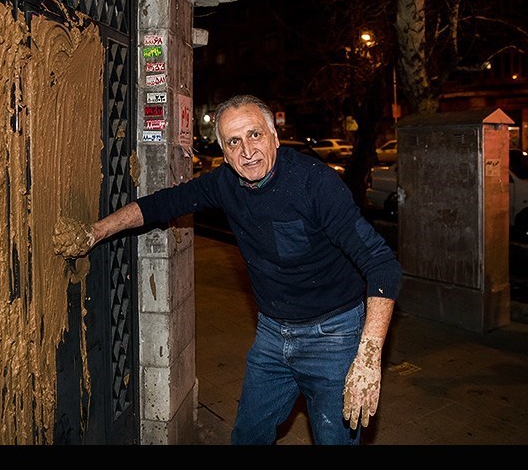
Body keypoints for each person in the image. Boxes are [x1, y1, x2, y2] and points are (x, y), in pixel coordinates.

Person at [53, 94, 402, 445]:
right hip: (272, 334)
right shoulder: (224, 184)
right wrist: (95, 232)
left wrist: (368, 357)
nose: (247, 150)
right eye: (234, 141)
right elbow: (160, 204)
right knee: (247, 437)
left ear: (274, 137)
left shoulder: (315, 184)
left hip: (334, 335)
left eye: (255, 135)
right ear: (224, 150)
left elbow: (382, 264)